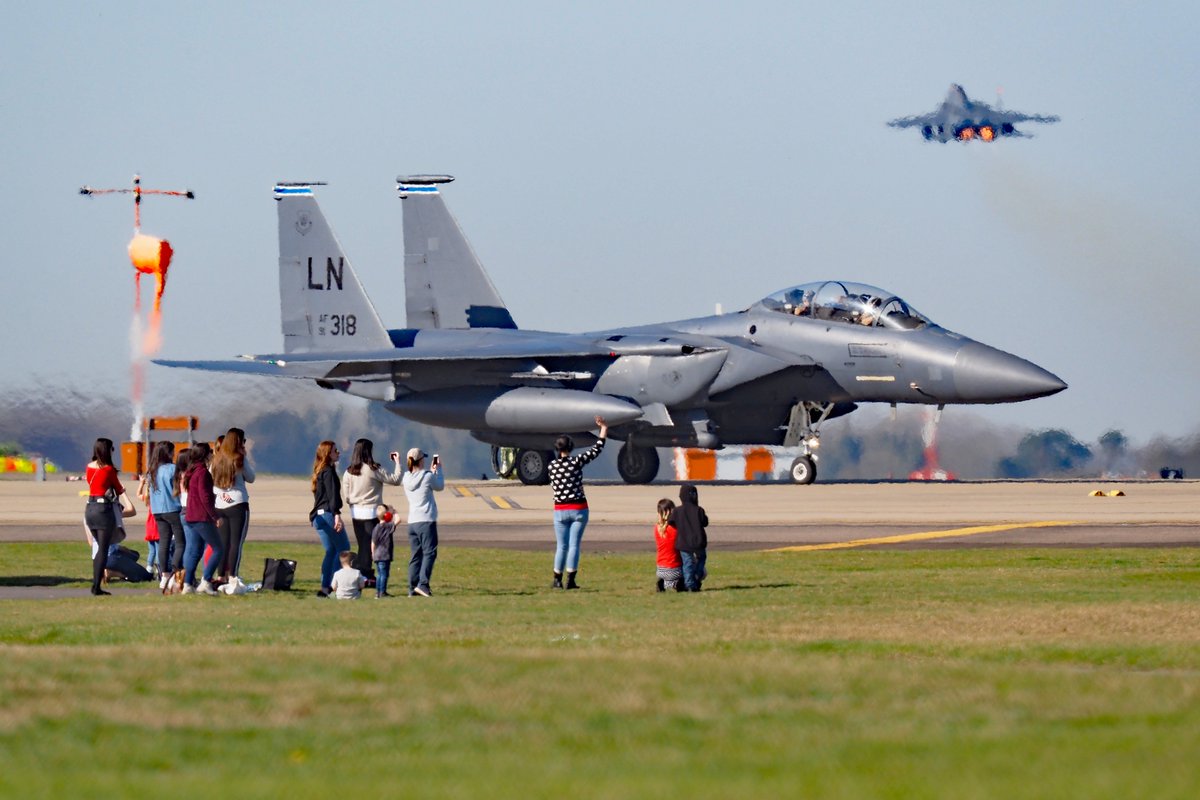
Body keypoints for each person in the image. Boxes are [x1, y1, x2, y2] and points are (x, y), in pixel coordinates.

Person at [546, 416, 607, 590]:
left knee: (561, 546)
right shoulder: (576, 462)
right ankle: (570, 580)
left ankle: (557, 579)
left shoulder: (551, 466)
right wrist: (603, 428)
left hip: (559, 510)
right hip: (579, 509)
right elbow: (597, 449)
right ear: (571, 447)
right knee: (574, 545)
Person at [341, 438, 403, 587]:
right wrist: (397, 463)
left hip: (356, 513)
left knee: (362, 545)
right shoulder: (373, 469)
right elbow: (395, 480)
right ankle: (366, 574)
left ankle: (361, 571)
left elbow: (346, 496)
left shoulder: (349, 471)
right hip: (371, 513)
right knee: (370, 546)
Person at [84, 437, 136, 595]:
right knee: (103, 548)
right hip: (103, 510)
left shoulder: (89, 467)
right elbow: (118, 488)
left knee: (99, 548)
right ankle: (96, 586)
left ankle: (96, 583)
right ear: (107, 450)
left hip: (90, 508)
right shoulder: (108, 469)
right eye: (112, 449)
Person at [211, 427, 255, 585]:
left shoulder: (216, 459)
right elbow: (251, 478)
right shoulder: (239, 458)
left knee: (223, 543)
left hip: (219, 504)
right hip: (237, 503)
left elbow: (211, 478)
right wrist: (245, 457)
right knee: (236, 542)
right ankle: (233, 576)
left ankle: (220, 575)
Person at [141, 440, 186, 589]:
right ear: (169, 453)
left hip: (157, 511)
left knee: (163, 543)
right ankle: (176, 572)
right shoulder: (173, 469)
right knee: (180, 542)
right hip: (172, 508)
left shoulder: (152, 470)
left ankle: (164, 575)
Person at [182, 442, 224, 595]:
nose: (212, 455)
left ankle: (187, 584)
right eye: (210, 452)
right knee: (218, 548)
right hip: (201, 517)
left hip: (190, 516)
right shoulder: (203, 473)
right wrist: (215, 516)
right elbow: (205, 497)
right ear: (205, 455)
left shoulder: (191, 471)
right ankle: (206, 581)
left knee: (195, 551)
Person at [402, 447, 444, 597]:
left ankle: (412, 587)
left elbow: (421, 481)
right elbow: (439, 486)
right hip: (426, 519)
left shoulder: (406, 478)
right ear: (420, 461)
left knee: (416, 555)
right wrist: (438, 470)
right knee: (429, 553)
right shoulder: (427, 476)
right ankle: (423, 584)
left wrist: (431, 472)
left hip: (412, 521)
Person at [310, 440, 348, 598]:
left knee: (331, 551)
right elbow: (332, 496)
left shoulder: (320, 471)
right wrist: (337, 514)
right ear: (328, 454)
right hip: (328, 515)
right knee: (343, 548)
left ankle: (325, 587)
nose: (338, 453)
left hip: (318, 517)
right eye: (335, 451)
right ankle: (333, 586)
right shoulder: (328, 472)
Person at [670, 483, 709, 592]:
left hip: (684, 543)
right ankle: (696, 576)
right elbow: (705, 522)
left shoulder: (677, 511)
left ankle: (689, 584)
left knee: (687, 563)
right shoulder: (699, 510)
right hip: (699, 542)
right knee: (701, 559)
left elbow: (671, 522)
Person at [653, 498, 683, 592]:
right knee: (694, 567)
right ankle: (676, 584)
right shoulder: (677, 529)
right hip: (675, 568)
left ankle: (665, 584)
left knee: (668, 577)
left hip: (660, 569)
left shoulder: (657, 528)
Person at [370, 504, 398, 599]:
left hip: (377, 554)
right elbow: (398, 520)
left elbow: (373, 542)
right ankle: (382, 592)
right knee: (384, 574)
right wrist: (394, 512)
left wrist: (372, 553)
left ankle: (377, 592)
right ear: (386, 515)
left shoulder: (376, 528)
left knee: (379, 574)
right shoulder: (388, 526)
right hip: (385, 554)